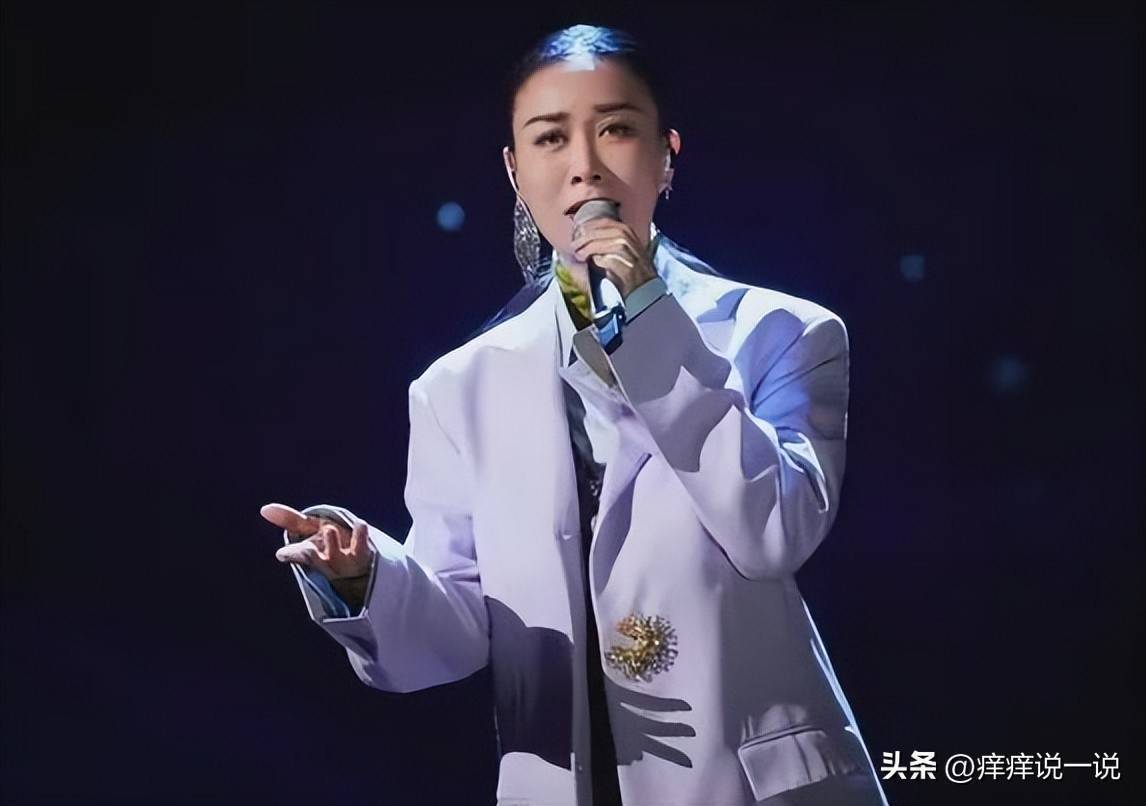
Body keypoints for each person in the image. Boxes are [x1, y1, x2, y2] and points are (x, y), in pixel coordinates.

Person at [261, 24, 890, 806]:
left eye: (616, 129)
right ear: (515, 171)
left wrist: (650, 321)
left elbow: (774, 532)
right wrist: (366, 579)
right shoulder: (459, 386)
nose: (585, 165)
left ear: (666, 155)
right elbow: (456, 631)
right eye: (550, 138)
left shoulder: (783, 333)